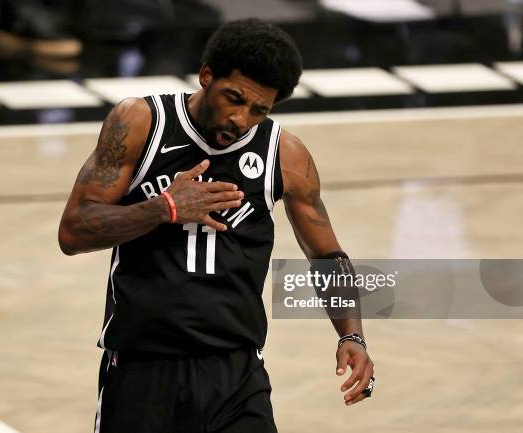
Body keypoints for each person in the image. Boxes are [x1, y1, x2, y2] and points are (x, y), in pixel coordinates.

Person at [58, 18, 375, 433]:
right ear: (207, 75)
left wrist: (352, 335)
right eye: (234, 98)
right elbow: (74, 231)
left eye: (259, 110)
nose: (241, 119)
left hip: (236, 375)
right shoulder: (140, 122)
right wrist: (164, 208)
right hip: (142, 371)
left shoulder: (286, 154)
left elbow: (326, 255)